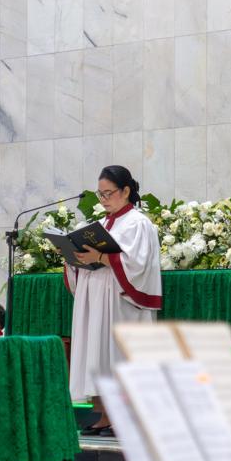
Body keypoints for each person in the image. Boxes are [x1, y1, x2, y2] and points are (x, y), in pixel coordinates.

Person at [64, 165, 162, 435]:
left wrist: (101, 257)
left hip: (121, 301)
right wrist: (72, 257)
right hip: (95, 296)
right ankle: (104, 415)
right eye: (100, 194)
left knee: (116, 357)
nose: (104, 199)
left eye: (109, 193)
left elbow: (138, 264)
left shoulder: (138, 223)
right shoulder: (100, 225)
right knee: (96, 355)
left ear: (126, 191)